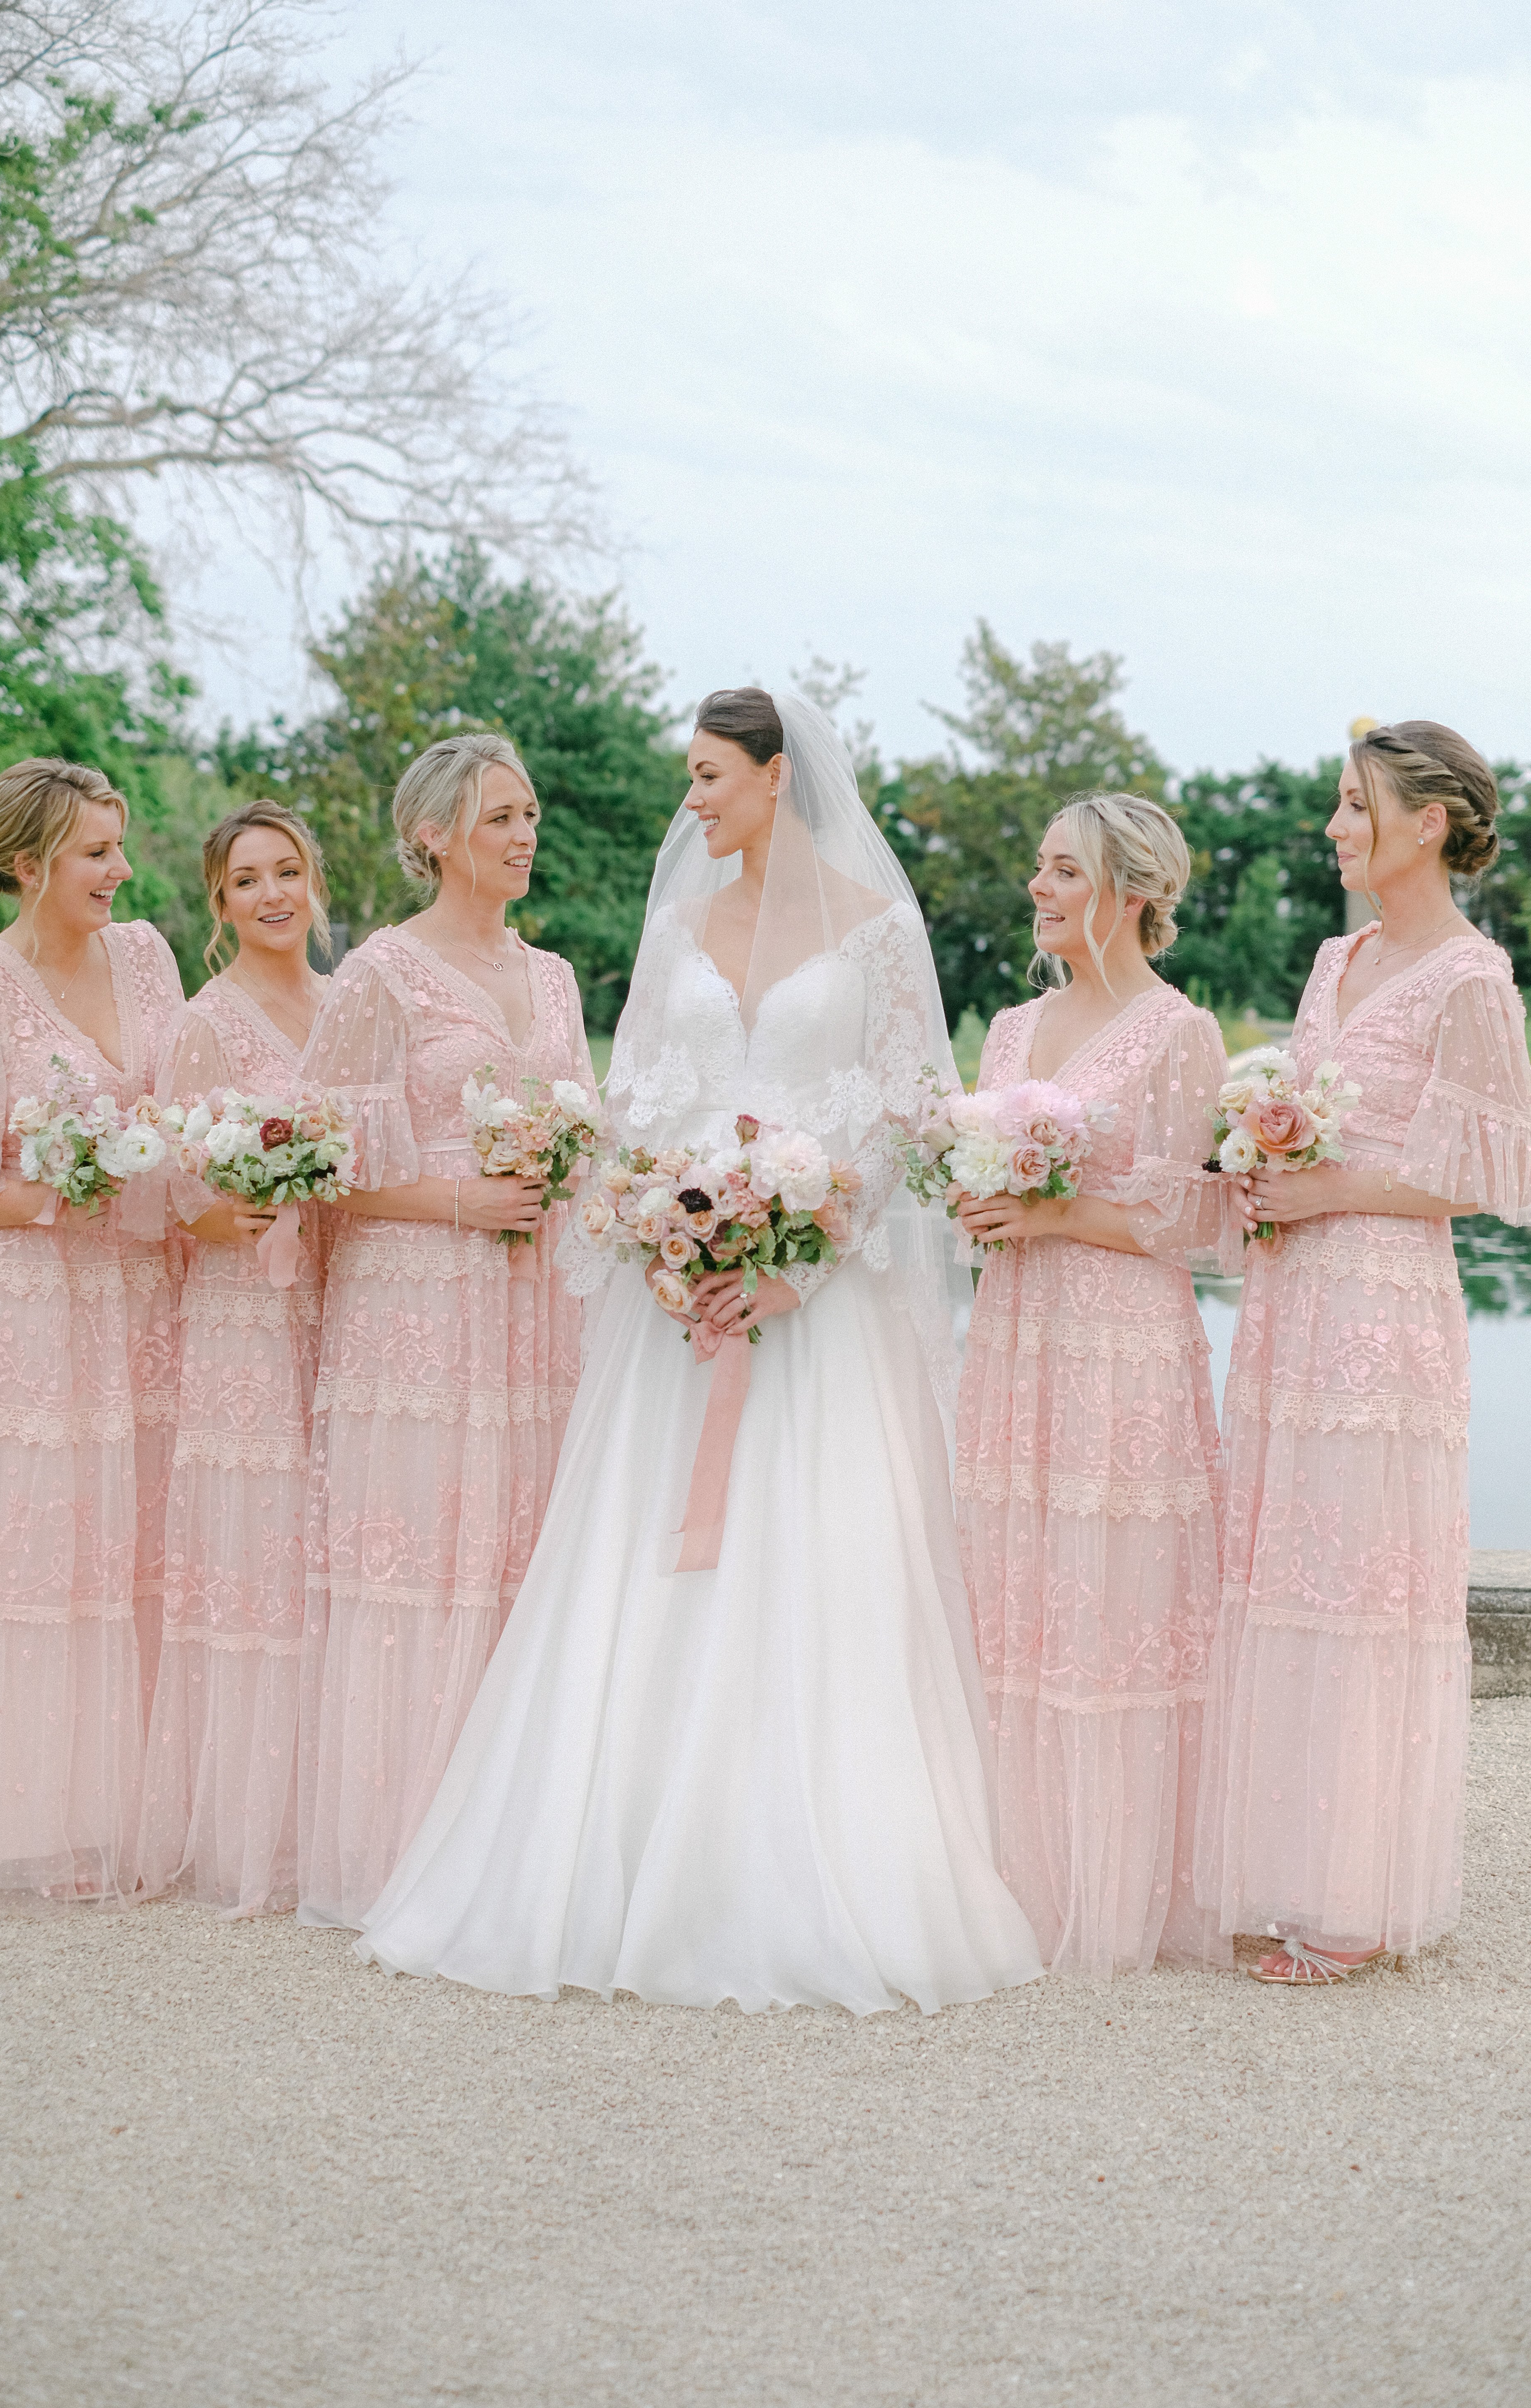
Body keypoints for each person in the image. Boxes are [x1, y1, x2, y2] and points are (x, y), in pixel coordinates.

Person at [353, 689, 1043, 2011]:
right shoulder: (677, 930)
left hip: (816, 1312)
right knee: (636, 1567)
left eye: (712, 776)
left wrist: (804, 1258)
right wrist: (666, 1240)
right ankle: (610, 1860)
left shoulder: (879, 930)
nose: (693, 800)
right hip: (677, 1304)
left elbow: (907, 1115)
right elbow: (636, 1102)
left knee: (815, 1569)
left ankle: (802, 1864)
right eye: (690, 777)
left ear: (780, 777)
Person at [1196, 722, 1531, 1982]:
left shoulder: (1472, 980)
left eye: (1354, 805)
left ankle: (1354, 1901)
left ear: (1429, 822)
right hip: (1292, 1300)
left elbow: (1489, 1176)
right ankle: (1280, 1869)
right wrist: (1263, 1156)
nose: (1335, 826)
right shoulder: (1337, 957)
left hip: (1384, 1309)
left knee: (1358, 1583)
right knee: (1284, 1567)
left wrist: (1328, 1191)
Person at [296, 732, 596, 1929]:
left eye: (529, 814)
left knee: (525, 1550)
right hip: (417, 1302)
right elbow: (323, 1166)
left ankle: (514, 1849)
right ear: (432, 838)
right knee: (423, 1558)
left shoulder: (561, 978)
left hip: (536, 1308)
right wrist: (461, 1197)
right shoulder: (379, 975)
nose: (524, 837)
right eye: (497, 820)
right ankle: (402, 1846)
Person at [953, 793, 1235, 1976]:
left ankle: (1114, 1887)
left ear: (1127, 890)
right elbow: (979, 1182)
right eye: (1039, 868)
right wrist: (975, 1202)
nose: (1039, 888)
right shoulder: (1011, 1030)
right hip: (1017, 1333)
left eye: (1063, 870)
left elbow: (1197, 1214)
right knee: (1011, 1582)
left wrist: (1062, 1206)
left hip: (1122, 1342)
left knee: (1110, 1596)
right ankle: (1006, 1870)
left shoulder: (1181, 1032)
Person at [0, 759, 184, 1909]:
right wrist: (50, 1194)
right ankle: (23, 1814)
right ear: (28, 864)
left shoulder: (147, 956)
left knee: (129, 1524)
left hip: (137, 1290)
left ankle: (123, 1806)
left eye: (120, 848)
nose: (121, 872)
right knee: (38, 1534)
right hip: (28, 1301)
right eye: (95, 853)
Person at [138, 803, 334, 1916]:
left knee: (326, 1529)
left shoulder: (348, 1003)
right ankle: (249, 1825)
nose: (272, 895)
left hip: (336, 1293)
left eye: (288, 872)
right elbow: (164, 1180)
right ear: (219, 902)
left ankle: (327, 1806)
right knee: (259, 1540)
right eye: (247, 880)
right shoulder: (207, 1023)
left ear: (313, 881)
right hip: (243, 1307)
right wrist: (227, 1217)